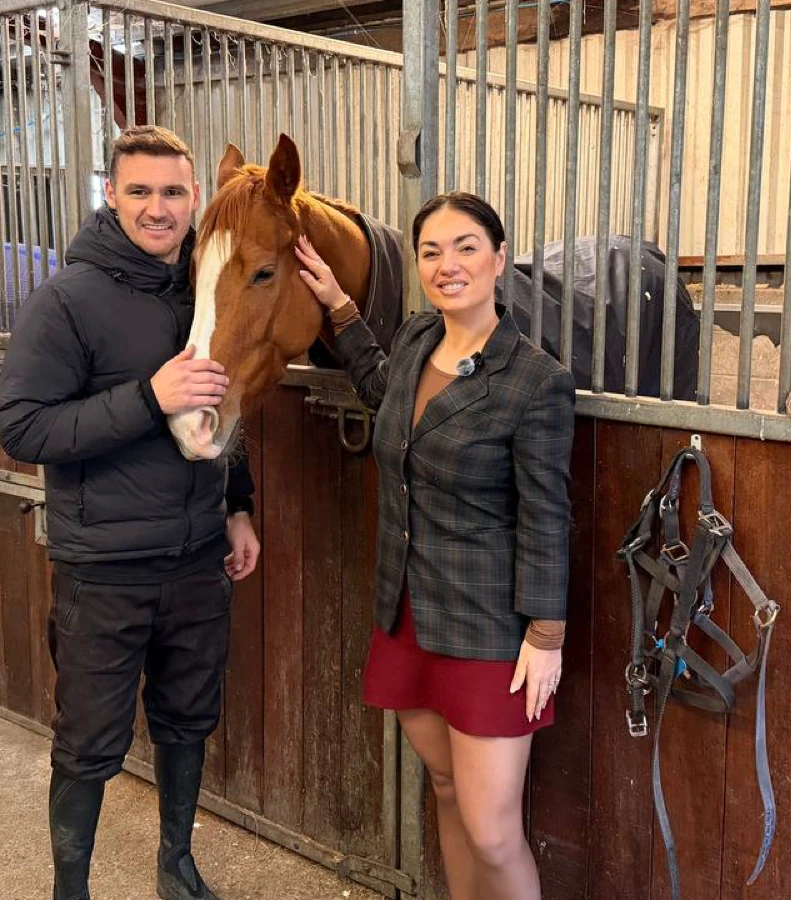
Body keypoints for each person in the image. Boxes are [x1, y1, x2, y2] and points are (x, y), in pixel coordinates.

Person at [0, 125, 259, 900]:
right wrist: (149, 398)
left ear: (195, 200)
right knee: (88, 742)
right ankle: (69, 889)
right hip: (104, 567)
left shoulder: (206, 290)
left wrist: (238, 507)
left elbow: (228, 407)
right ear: (110, 195)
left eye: (173, 192)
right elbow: (23, 427)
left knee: (187, 721)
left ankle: (175, 864)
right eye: (139, 191)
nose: (157, 208)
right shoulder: (65, 301)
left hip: (197, 560)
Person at [294, 191, 575, 899]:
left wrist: (547, 633)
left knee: (493, 830)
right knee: (446, 787)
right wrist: (339, 309)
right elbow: (384, 392)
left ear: (499, 258)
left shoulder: (535, 381)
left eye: (466, 246)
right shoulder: (418, 340)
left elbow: (548, 515)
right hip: (410, 610)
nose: (447, 264)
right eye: (431, 251)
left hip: (489, 630)